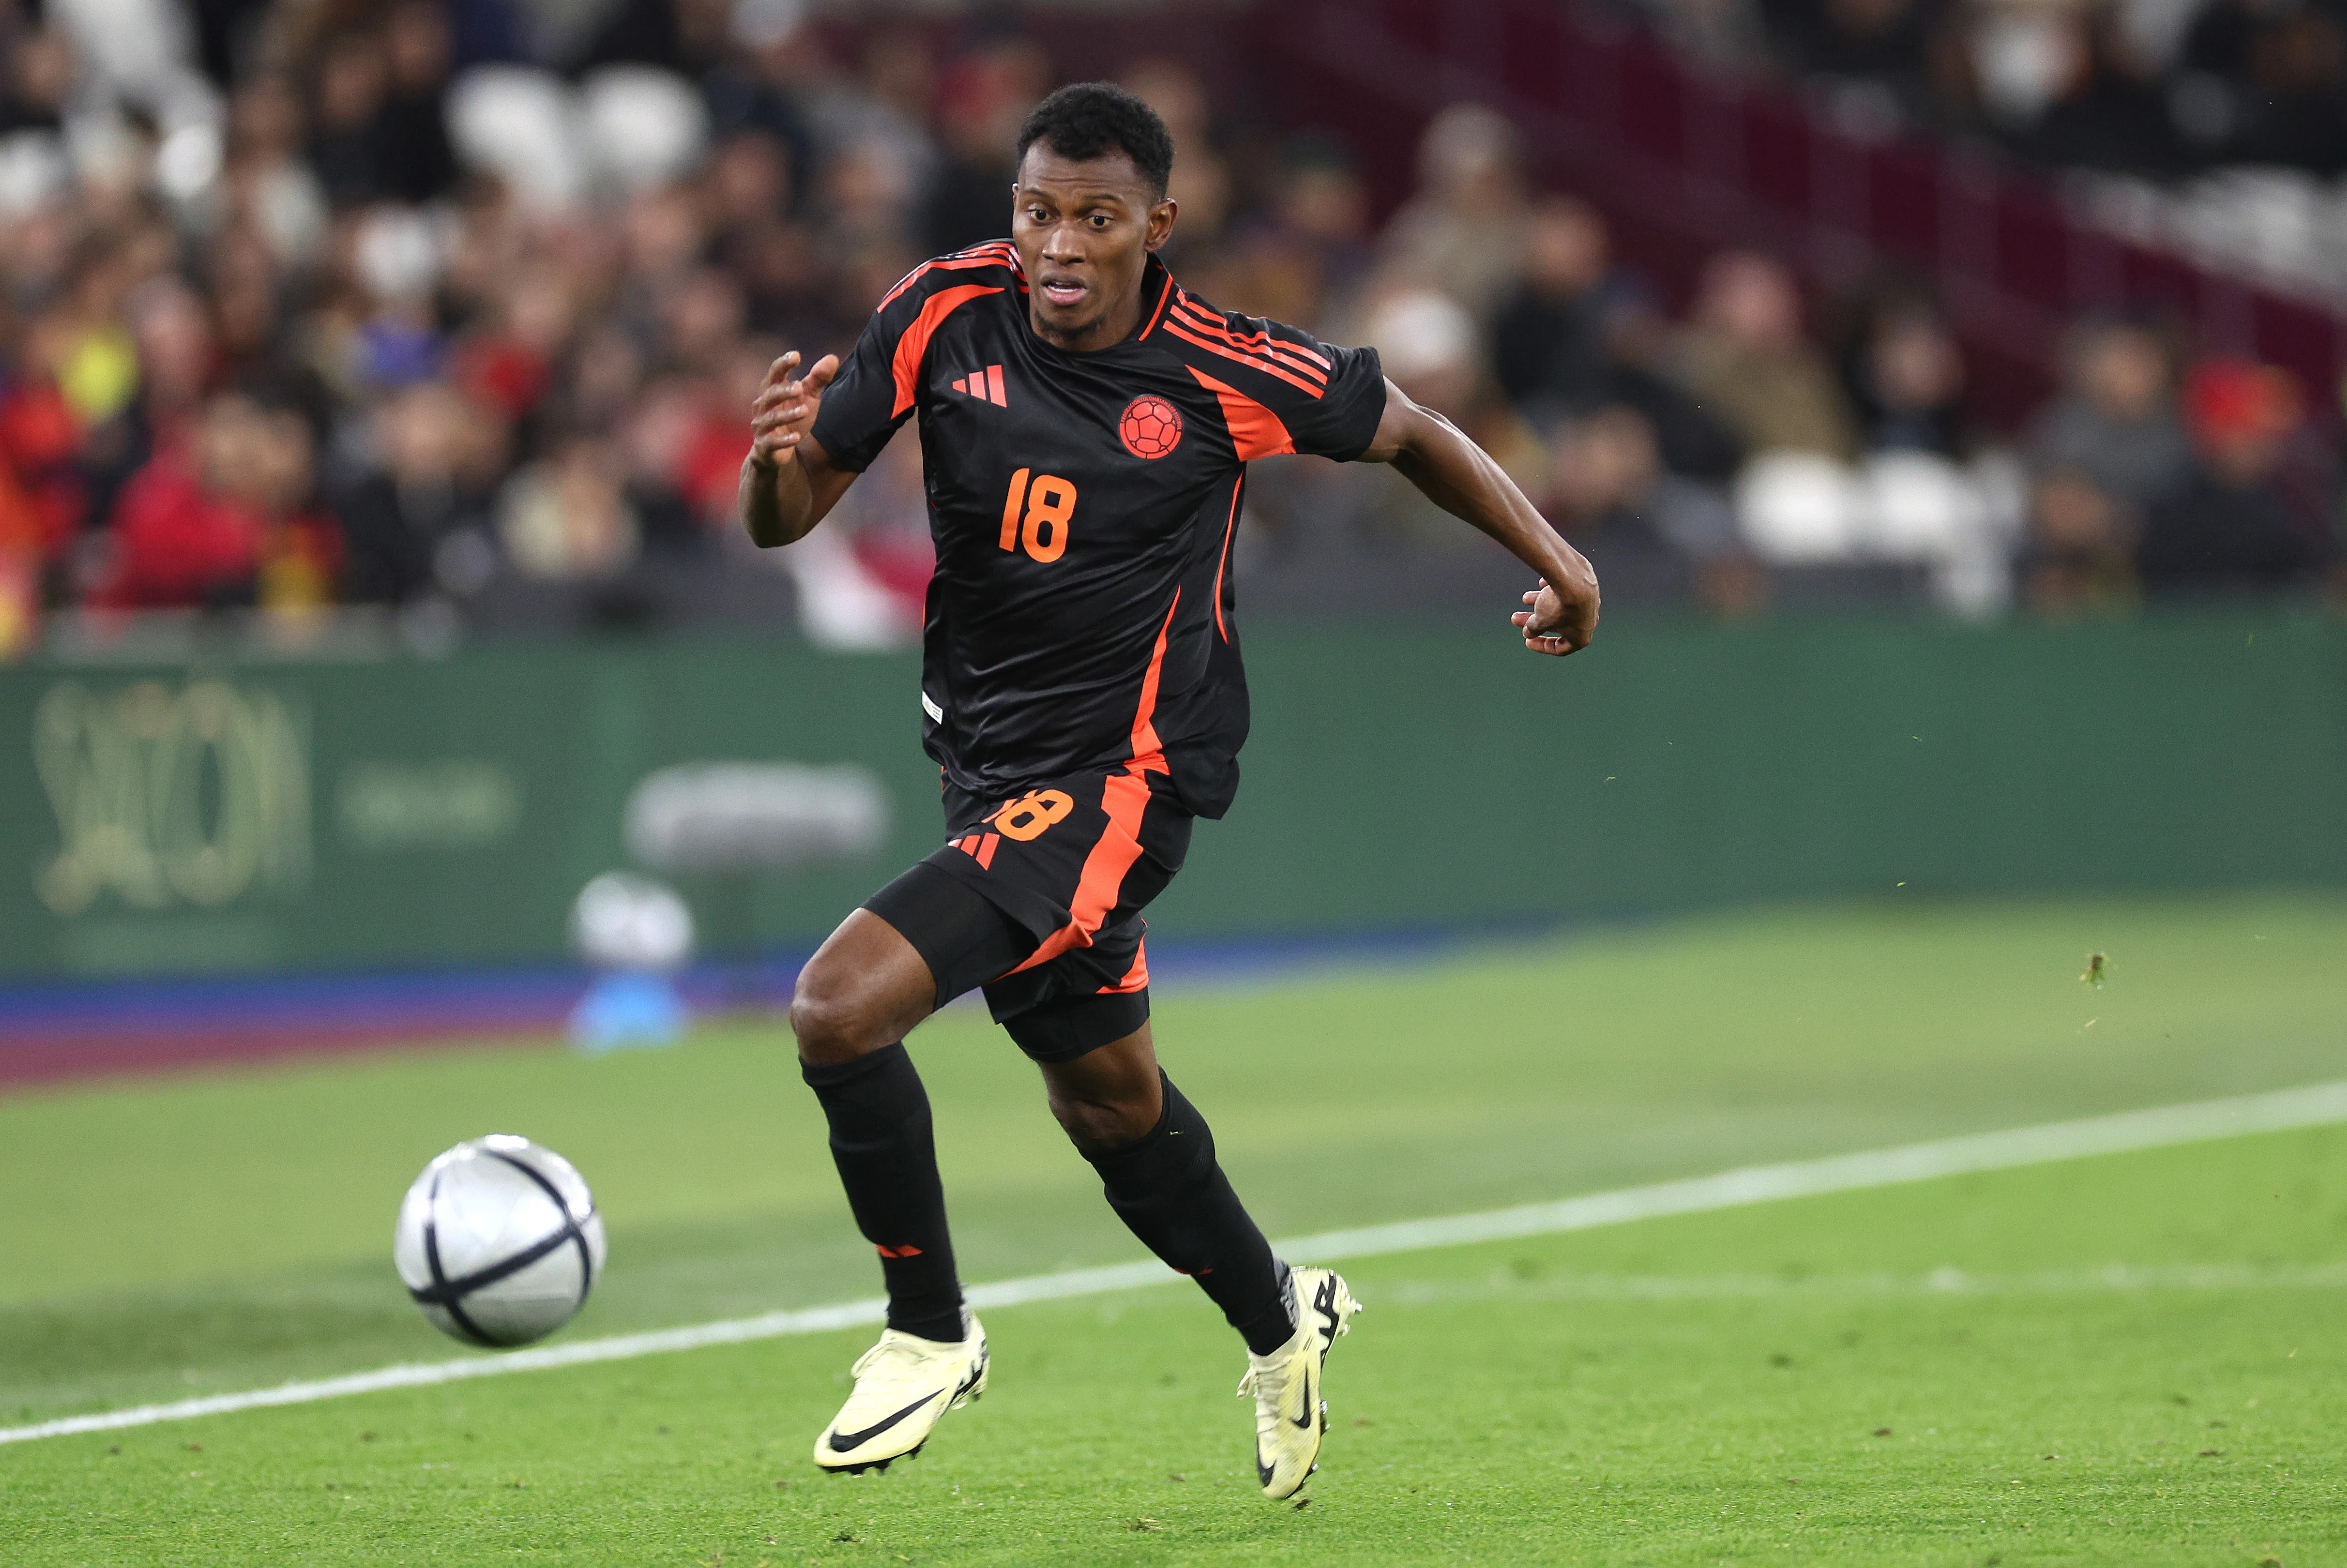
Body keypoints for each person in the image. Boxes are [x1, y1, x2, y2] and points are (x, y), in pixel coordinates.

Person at [737, 83, 1599, 1500]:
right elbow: (790, 511)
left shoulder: (1222, 365)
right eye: (1037, 213)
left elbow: (1414, 433)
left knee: (838, 1008)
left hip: (1124, 779)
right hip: (986, 772)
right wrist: (771, 469)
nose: (1058, 245)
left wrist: (1564, 566)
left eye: (1095, 218)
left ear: (1157, 226)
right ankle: (1282, 1323)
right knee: (1109, 1106)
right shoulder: (944, 311)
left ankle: (927, 1329)